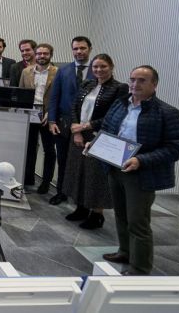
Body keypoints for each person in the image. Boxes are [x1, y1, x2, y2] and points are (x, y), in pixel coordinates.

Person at [99, 65, 179, 275]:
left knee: (138, 221)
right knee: (121, 215)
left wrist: (141, 160)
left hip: (142, 174)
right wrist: (95, 144)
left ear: (154, 84)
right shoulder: (121, 105)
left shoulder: (167, 112)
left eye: (141, 80)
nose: (135, 84)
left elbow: (176, 147)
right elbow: (107, 128)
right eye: (132, 79)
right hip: (115, 168)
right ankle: (125, 251)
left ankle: (140, 267)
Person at [62, 54, 127, 229]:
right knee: (77, 172)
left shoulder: (120, 88)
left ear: (111, 67)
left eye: (103, 66)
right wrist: (76, 129)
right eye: (95, 67)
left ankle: (97, 214)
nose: (98, 70)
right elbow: (75, 106)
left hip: (100, 137)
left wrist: (85, 127)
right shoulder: (87, 84)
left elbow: (115, 115)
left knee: (95, 177)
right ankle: (81, 207)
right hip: (78, 135)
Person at [47, 36, 94, 205]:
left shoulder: (97, 70)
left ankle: (80, 196)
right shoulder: (63, 70)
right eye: (75, 48)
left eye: (82, 48)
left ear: (89, 49)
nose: (79, 51)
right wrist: (52, 121)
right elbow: (54, 98)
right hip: (63, 124)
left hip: (88, 125)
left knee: (83, 163)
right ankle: (61, 192)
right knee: (63, 160)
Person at [19, 44, 58, 193]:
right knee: (29, 148)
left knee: (49, 150)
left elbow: (58, 96)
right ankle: (28, 177)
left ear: (51, 55)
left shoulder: (58, 72)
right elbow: (21, 93)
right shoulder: (26, 71)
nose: (42, 56)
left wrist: (51, 113)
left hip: (48, 116)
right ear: (35, 55)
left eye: (45, 54)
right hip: (30, 114)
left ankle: (46, 182)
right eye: (39, 53)